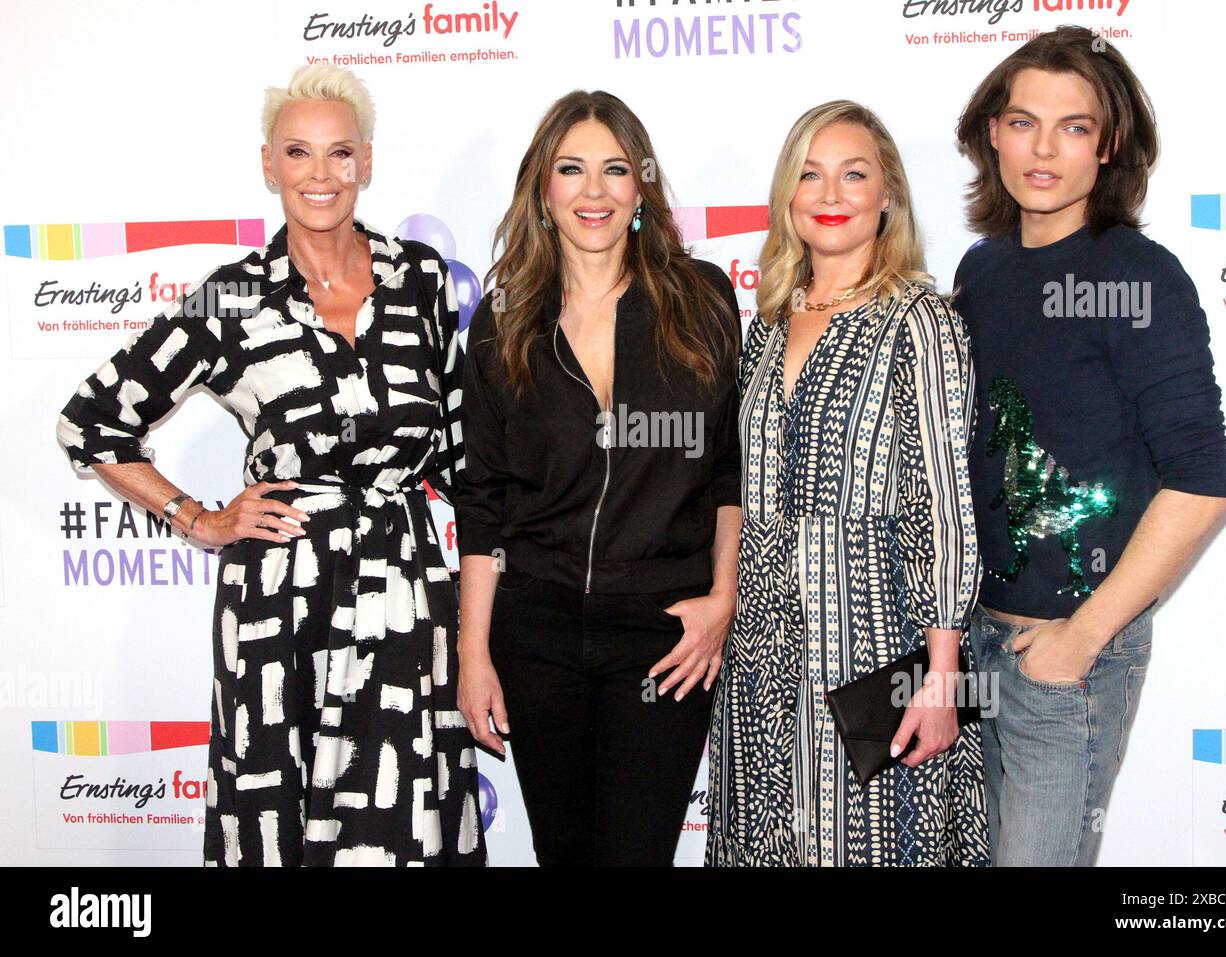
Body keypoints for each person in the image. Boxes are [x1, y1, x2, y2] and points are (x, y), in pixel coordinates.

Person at [55, 63, 484, 866]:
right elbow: (93, 420)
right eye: (299, 153)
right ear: (268, 165)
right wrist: (200, 518)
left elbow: (467, 453)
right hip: (281, 598)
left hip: (406, 592)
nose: (321, 175)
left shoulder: (421, 280)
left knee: (402, 806)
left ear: (367, 161)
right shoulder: (234, 296)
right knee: (276, 812)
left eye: (340, 154)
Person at [953, 26, 1226, 866]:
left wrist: (1081, 636)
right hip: (971, 648)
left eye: (1073, 127)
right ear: (991, 132)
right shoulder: (982, 271)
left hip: (1067, 659)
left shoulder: (1140, 275)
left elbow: (1200, 486)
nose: (1043, 149)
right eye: (1023, 121)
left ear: (1108, 146)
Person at [455, 90, 742, 867]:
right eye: (571, 169)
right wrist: (474, 652)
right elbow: (482, 499)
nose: (593, 191)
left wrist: (724, 597)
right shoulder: (505, 316)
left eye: (615, 170)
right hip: (537, 629)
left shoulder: (701, 298)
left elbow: (728, 470)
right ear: (542, 191)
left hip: (661, 632)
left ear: (641, 186)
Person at [707, 100, 987, 867]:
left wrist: (941, 676)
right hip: (761, 659)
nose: (830, 194)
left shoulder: (918, 321)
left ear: (888, 193)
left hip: (874, 651)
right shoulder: (764, 323)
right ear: (787, 196)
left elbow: (942, 504)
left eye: (854, 174)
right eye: (810, 174)